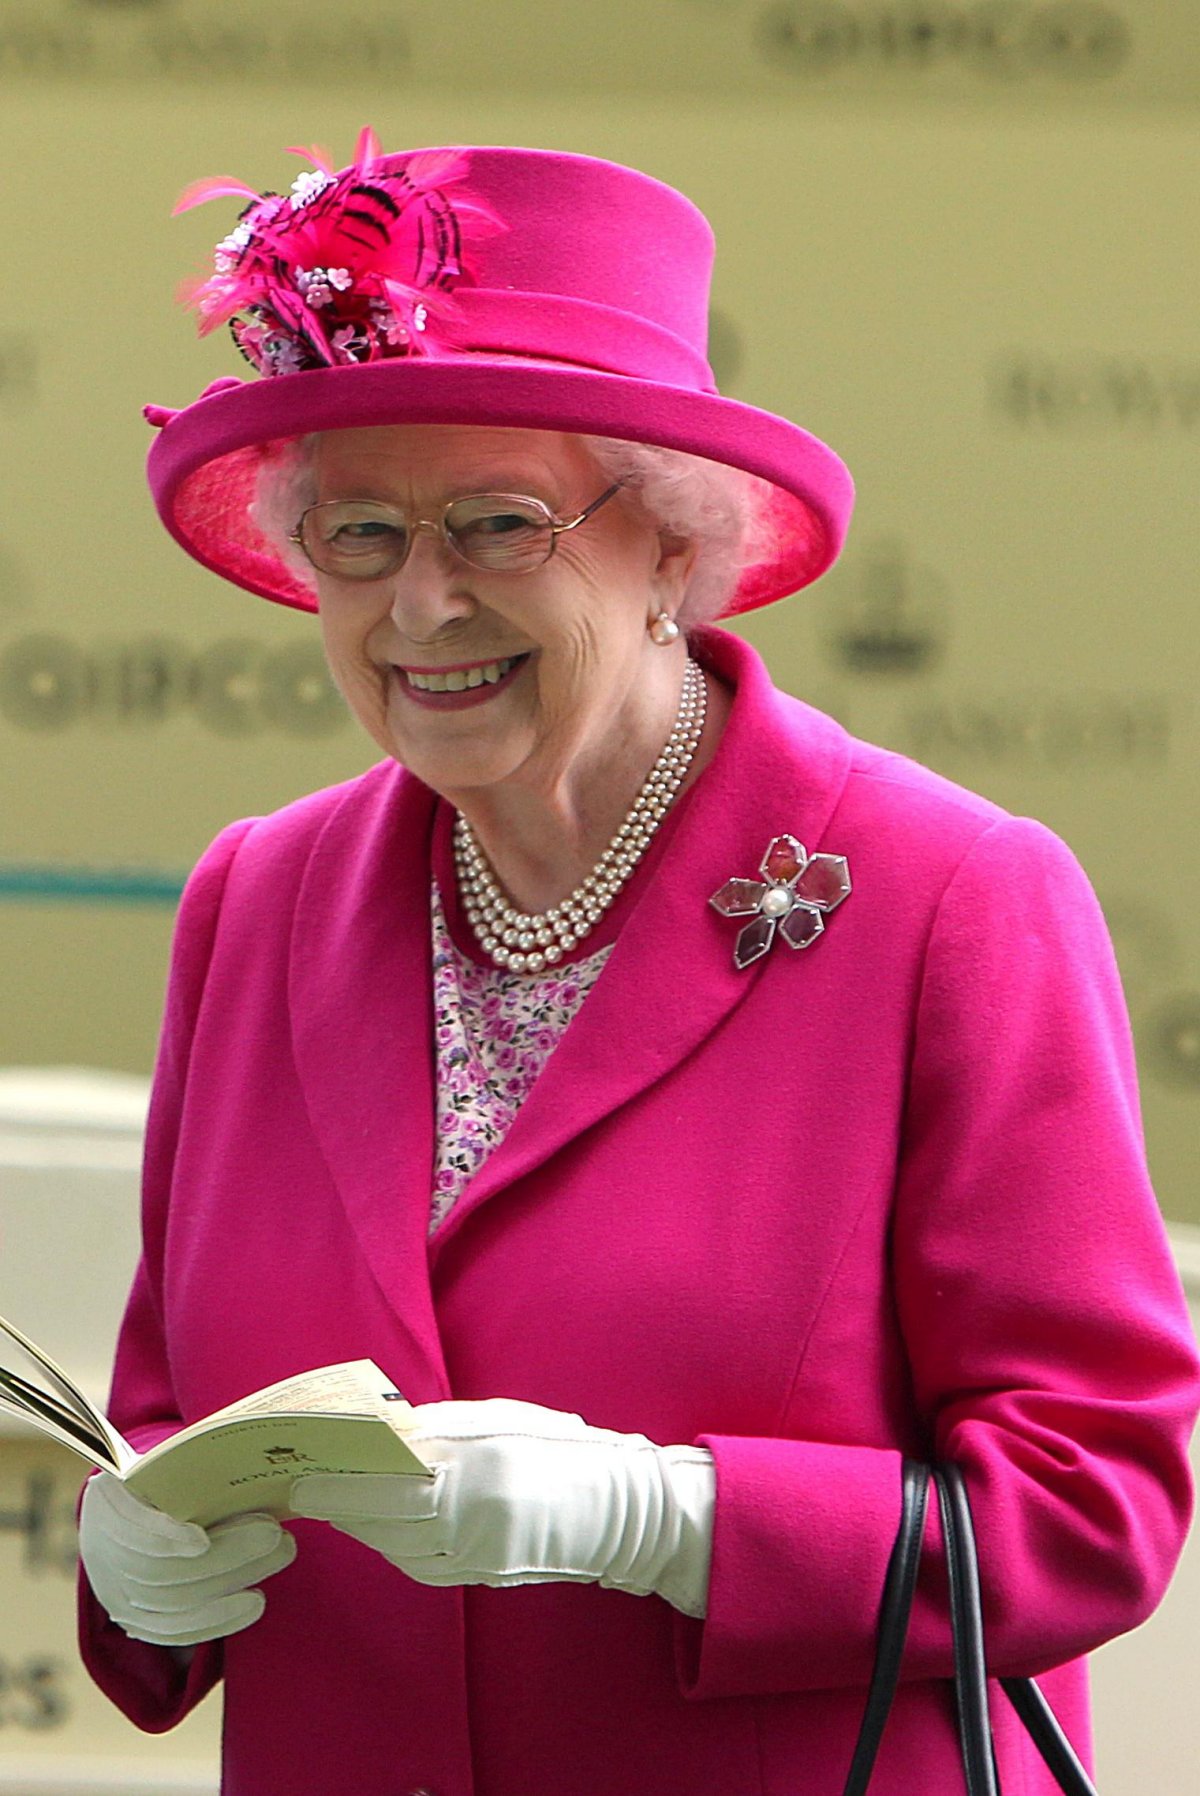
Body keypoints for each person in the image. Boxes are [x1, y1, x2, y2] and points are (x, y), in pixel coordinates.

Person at [76, 130, 1199, 1796]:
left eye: (499, 524)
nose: (422, 605)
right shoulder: (258, 899)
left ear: (677, 543)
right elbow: (173, 1417)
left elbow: (1094, 1500)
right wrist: (137, 1563)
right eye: (361, 536)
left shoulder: (948, 898)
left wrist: (668, 1521)